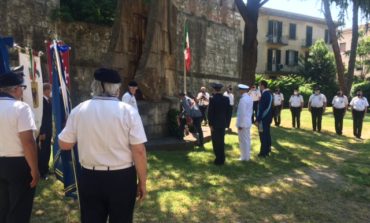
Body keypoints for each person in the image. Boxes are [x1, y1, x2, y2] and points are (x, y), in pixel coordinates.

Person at [58, 68, 147, 223]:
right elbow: (138, 151)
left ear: (95, 86)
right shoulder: (129, 112)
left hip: (90, 176)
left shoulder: (79, 110)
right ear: (117, 89)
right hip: (122, 177)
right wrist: (143, 182)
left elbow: (64, 144)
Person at [0, 71, 39, 223]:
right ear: (16, 89)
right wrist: (34, 169)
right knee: (19, 210)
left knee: (2, 209)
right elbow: (28, 141)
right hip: (18, 164)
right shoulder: (21, 108)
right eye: (22, 87)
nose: (22, 91)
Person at [208, 83, 229, 165]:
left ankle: (218, 159)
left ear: (214, 89)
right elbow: (228, 112)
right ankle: (222, 158)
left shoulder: (212, 99)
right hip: (222, 123)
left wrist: (210, 124)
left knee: (216, 142)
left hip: (215, 124)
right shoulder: (226, 99)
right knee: (221, 141)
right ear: (220, 90)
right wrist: (226, 123)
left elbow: (210, 113)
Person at [37, 83, 53, 179]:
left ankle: (46, 168)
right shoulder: (42, 101)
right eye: (50, 90)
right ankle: (42, 172)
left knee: (48, 150)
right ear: (46, 90)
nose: (51, 92)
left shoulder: (48, 100)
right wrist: (42, 132)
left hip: (49, 130)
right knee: (43, 151)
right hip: (44, 131)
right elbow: (41, 117)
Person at [254, 80, 273, 158]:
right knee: (267, 134)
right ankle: (268, 149)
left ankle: (263, 153)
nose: (259, 87)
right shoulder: (270, 94)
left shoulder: (264, 94)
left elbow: (261, 109)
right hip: (268, 118)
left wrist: (257, 120)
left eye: (259, 85)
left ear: (262, 86)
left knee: (263, 136)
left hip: (263, 119)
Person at [236, 84, 253, 161]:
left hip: (243, 123)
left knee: (243, 140)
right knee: (247, 140)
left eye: (240, 90)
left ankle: (244, 157)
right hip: (248, 122)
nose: (239, 91)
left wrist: (240, 124)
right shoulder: (249, 98)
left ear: (242, 90)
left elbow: (242, 113)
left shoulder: (243, 99)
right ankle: (247, 156)